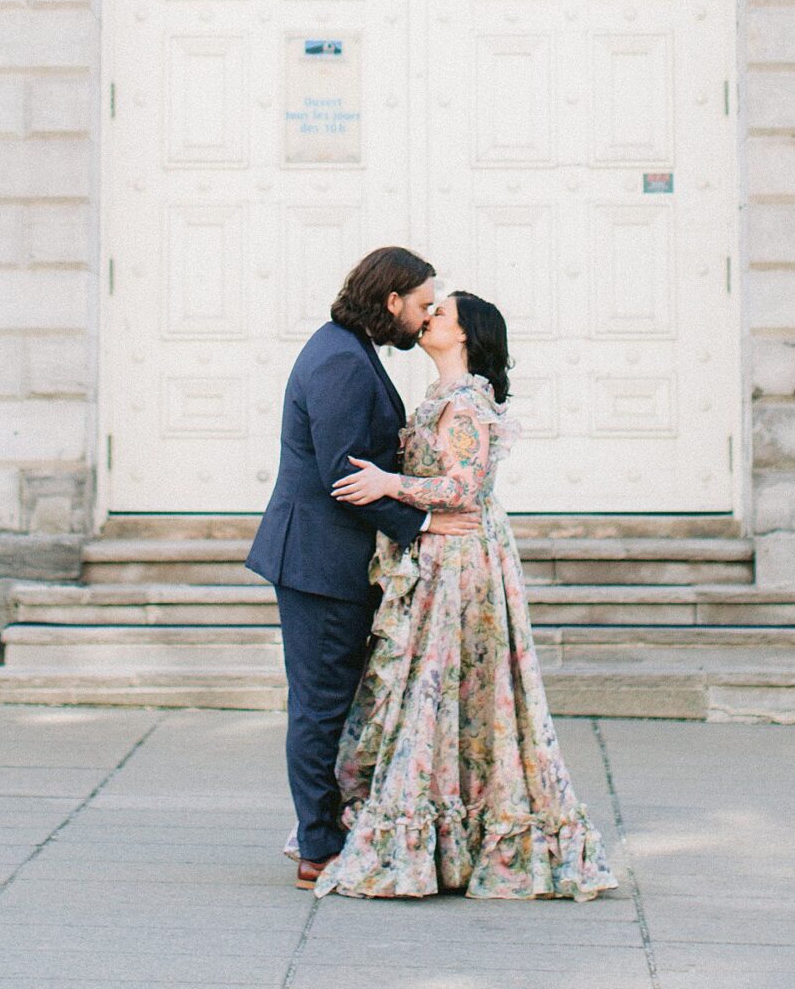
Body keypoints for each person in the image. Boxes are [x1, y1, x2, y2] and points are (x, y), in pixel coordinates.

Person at [319, 289, 617, 901]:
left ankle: (463, 835)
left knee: (449, 682)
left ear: (464, 336)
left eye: (442, 313)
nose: (428, 318)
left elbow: (466, 485)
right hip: (442, 555)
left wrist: (388, 483)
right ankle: (445, 834)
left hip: (462, 560)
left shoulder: (465, 401)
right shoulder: (442, 398)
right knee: (436, 687)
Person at [247, 245, 479, 888]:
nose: (427, 316)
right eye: (424, 305)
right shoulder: (343, 360)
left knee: (332, 703)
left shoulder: (347, 349)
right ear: (391, 301)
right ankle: (319, 846)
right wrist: (426, 524)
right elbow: (345, 476)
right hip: (321, 562)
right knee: (320, 707)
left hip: (329, 559)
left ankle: (329, 829)